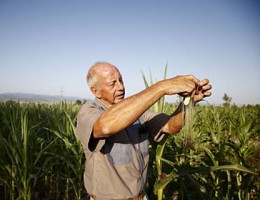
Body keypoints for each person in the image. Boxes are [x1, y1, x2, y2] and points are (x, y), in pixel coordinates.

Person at [75, 61, 212, 200]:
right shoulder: (89, 111)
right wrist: (162, 87)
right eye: (113, 83)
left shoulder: (138, 113)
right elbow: (105, 126)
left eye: (121, 80)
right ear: (95, 91)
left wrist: (189, 102)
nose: (121, 87)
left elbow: (171, 126)